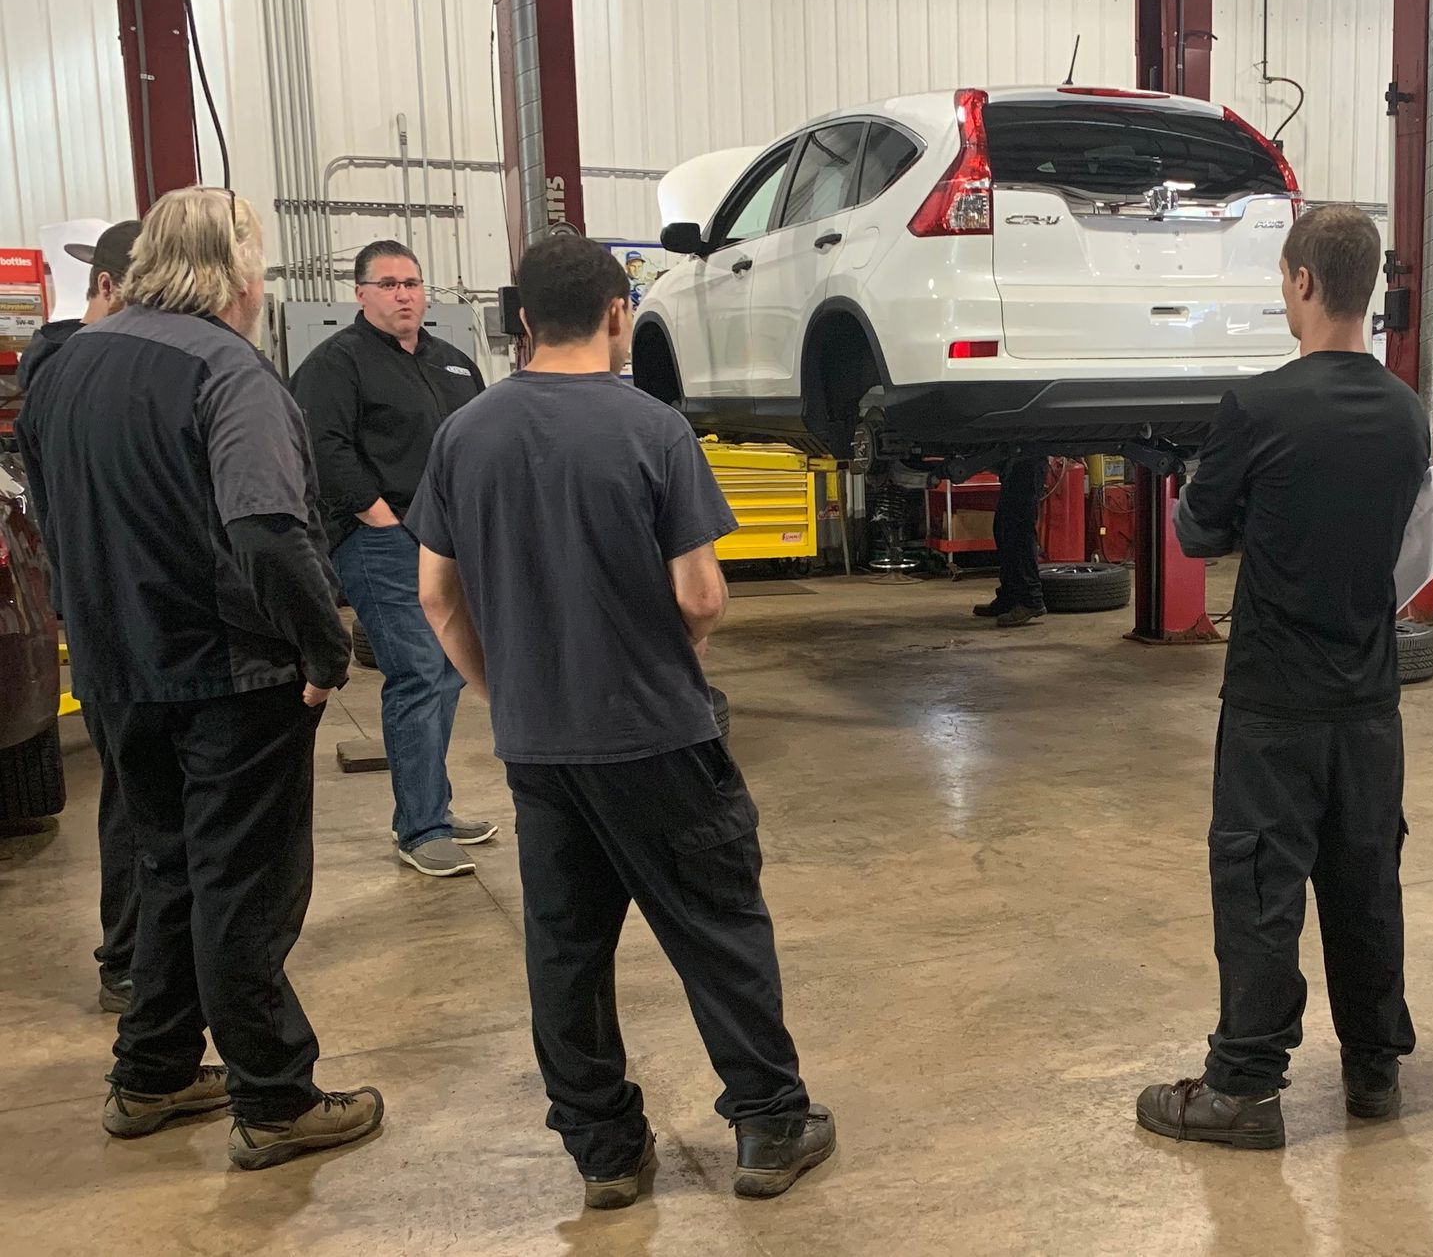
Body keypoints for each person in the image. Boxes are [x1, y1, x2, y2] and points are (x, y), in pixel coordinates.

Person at [409, 234, 833, 1208]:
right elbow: (701, 595)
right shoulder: (652, 428)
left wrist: (502, 690)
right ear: (616, 314)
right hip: (656, 734)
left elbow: (436, 595)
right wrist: (679, 665)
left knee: (564, 949)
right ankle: (769, 1124)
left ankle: (604, 1151)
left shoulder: (464, 434)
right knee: (718, 927)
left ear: (521, 321)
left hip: (538, 744)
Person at [18, 187, 383, 1168]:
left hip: (114, 672)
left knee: (169, 868)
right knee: (244, 887)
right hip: (230, 676)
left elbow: (47, 519)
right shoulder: (231, 371)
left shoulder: (61, 367)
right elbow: (266, 525)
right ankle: (274, 1094)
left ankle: (153, 1070)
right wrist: (322, 646)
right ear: (237, 275)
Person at [1134, 205, 1429, 1148]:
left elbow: (1197, 531)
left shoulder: (1255, 408)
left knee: (1260, 885)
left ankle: (1244, 1089)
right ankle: (1373, 1071)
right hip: (1371, 701)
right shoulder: (1406, 411)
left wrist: (1198, 481)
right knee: (1365, 876)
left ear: (1302, 281)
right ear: (1368, 286)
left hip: (1273, 703)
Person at [292, 240, 493, 878]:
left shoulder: (454, 364)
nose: (404, 294)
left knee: (452, 670)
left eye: (412, 282)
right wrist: (380, 517)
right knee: (417, 672)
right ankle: (421, 828)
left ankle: (432, 804)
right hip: (383, 540)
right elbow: (322, 448)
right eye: (388, 284)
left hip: (453, 538)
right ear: (360, 294)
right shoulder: (335, 364)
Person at [18, 219, 142, 1013]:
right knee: (136, 797)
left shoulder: (60, 374)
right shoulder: (73, 372)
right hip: (118, 612)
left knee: (139, 795)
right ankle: (130, 958)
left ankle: (141, 956)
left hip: (105, 607)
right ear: (106, 287)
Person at [972, 455, 1049, 627]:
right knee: (1003, 528)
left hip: (1028, 457)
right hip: (1015, 459)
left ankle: (1030, 600)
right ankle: (1009, 597)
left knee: (1019, 531)